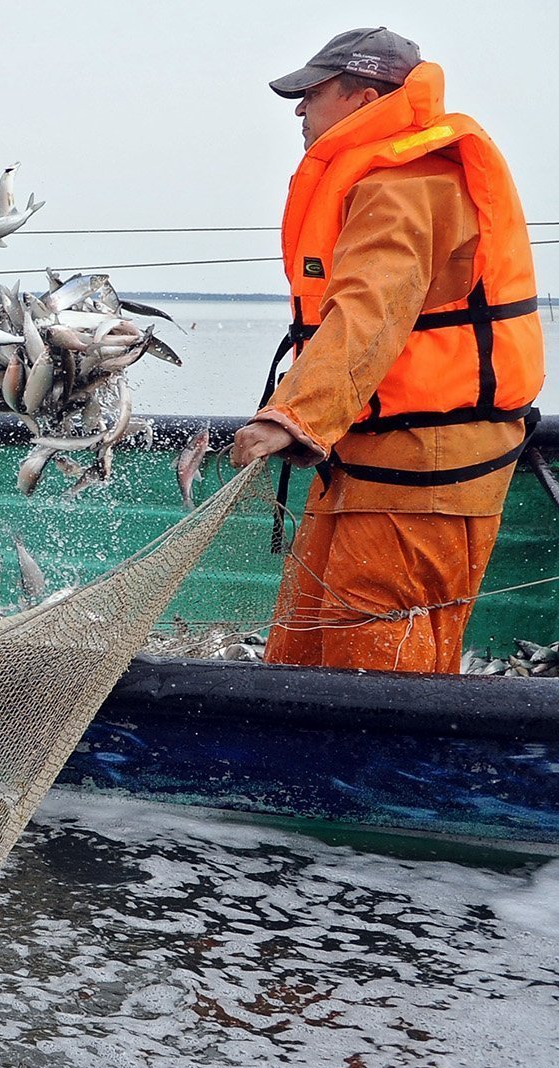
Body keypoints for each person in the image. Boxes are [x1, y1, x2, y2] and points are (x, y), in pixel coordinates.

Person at [231, 28, 543, 673]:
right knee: (307, 646)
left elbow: (370, 316)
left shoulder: (406, 182)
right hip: (372, 458)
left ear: (363, 96)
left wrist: (293, 417)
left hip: (422, 470)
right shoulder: (392, 173)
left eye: (310, 95)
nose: (297, 109)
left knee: (371, 657)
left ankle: (380, 775)